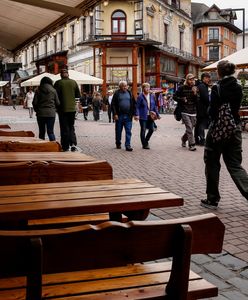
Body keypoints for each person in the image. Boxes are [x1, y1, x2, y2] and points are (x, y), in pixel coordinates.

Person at [201, 60, 248, 210]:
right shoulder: (239, 87)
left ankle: (212, 199)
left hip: (218, 130)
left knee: (212, 162)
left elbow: (213, 111)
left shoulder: (217, 88)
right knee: (235, 164)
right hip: (235, 128)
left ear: (219, 72)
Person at [54, 68, 81, 152]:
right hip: (72, 109)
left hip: (62, 109)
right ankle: (73, 144)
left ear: (60, 75)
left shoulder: (58, 83)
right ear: (68, 74)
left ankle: (65, 146)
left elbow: (55, 96)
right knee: (71, 126)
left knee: (64, 127)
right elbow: (78, 95)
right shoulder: (73, 82)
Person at [174, 73, 198, 151]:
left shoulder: (195, 88)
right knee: (189, 128)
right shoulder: (181, 88)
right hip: (184, 111)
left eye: (193, 79)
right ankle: (192, 144)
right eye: (190, 79)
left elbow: (197, 101)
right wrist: (182, 99)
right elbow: (174, 96)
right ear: (187, 80)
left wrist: (195, 94)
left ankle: (183, 139)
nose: (192, 81)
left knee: (191, 127)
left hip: (193, 111)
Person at [32, 76, 60, 141]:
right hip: (51, 113)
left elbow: (34, 102)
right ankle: (53, 146)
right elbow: (58, 102)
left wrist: (37, 110)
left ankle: (42, 147)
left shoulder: (38, 90)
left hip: (40, 113)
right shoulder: (53, 90)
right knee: (50, 131)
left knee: (41, 132)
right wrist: (54, 109)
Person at [111, 80, 136, 151]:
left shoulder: (130, 93)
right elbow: (113, 104)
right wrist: (115, 114)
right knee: (118, 131)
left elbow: (134, 104)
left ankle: (128, 145)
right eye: (123, 86)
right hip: (119, 115)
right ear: (120, 87)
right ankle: (118, 143)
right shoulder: (117, 93)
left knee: (128, 131)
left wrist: (134, 114)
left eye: (126, 86)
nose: (125, 87)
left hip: (128, 116)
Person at [134, 82, 160, 149]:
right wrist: (137, 114)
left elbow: (154, 106)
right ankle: (144, 144)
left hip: (150, 116)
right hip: (143, 116)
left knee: (151, 129)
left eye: (148, 87)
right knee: (143, 130)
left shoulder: (152, 96)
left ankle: (146, 141)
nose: (148, 89)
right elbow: (137, 107)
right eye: (146, 87)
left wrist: (157, 114)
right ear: (143, 88)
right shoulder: (140, 96)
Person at [195, 72, 211, 146]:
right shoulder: (202, 86)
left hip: (199, 108)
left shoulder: (201, 85)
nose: (209, 79)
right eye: (207, 78)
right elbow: (205, 98)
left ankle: (196, 139)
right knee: (201, 124)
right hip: (202, 109)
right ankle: (202, 139)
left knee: (198, 124)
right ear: (204, 78)